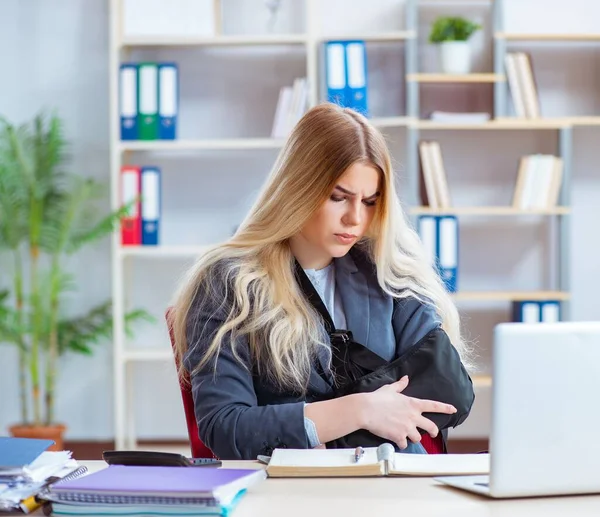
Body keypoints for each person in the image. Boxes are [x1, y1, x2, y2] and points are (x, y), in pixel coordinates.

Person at [171, 103, 474, 461]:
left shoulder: (388, 269)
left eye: (370, 201)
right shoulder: (229, 282)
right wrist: (360, 410)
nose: (355, 218)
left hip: (394, 488)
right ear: (298, 188)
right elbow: (226, 427)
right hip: (290, 492)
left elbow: (449, 391)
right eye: (338, 198)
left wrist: (313, 425)